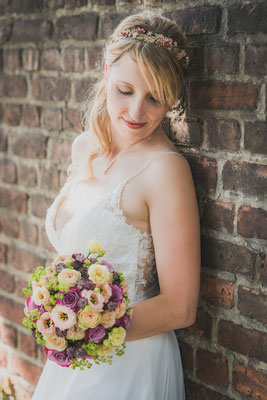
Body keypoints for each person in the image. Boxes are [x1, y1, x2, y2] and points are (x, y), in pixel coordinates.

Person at [32, 9, 200, 400]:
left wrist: (82, 327)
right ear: (106, 72)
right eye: (125, 90)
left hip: (129, 362)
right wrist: (60, 313)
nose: (137, 112)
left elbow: (181, 306)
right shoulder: (84, 149)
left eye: (155, 98)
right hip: (72, 356)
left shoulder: (166, 171)